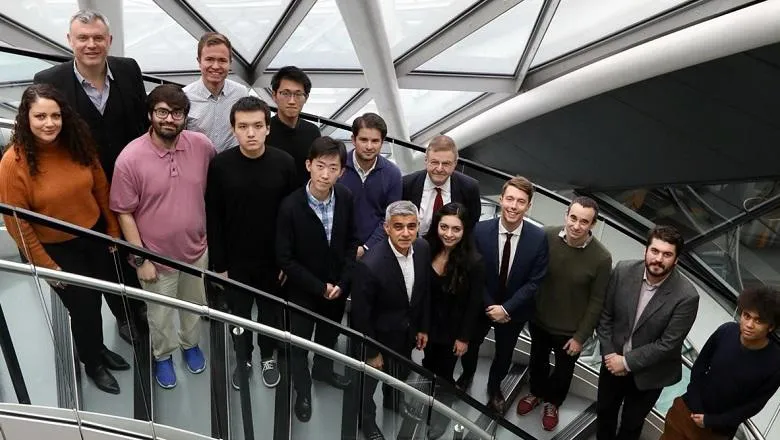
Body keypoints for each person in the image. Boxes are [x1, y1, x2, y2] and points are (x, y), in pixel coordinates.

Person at [0, 84, 129, 394]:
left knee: (98, 297)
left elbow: (100, 187)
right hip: (56, 249)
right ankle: (92, 362)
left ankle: (98, 349)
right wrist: (46, 266)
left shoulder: (77, 144)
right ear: (26, 118)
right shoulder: (13, 163)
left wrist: (111, 230)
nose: (49, 123)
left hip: (93, 234)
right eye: (40, 116)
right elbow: (17, 224)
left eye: (55, 115)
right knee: (83, 307)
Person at [34, 8, 148, 344]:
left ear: (109, 41)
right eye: (83, 38)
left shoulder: (128, 71)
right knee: (104, 255)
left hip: (131, 184)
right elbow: (45, 134)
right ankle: (119, 316)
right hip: (85, 192)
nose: (91, 44)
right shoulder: (50, 81)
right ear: (70, 41)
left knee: (134, 248)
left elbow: (140, 123)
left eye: (98, 37)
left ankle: (136, 309)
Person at [110, 84, 216, 389]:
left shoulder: (202, 146)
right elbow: (124, 212)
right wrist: (141, 257)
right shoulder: (130, 158)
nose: (170, 118)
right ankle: (163, 355)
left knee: (194, 305)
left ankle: (190, 344)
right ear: (150, 114)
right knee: (159, 315)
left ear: (185, 116)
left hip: (196, 251)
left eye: (177, 112)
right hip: (155, 258)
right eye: (162, 112)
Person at [205, 96, 296, 390]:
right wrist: (219, 264)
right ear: (233, 130)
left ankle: (267, 356)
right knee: (239, 316)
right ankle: (243, 357)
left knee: (270, 315)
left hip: (273, 262)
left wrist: (287, 260)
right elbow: (214, 216)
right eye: (243, 126)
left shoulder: (285, 163)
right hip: (235, 261)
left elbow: (292, 216)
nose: (251, 132)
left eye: (258, 125)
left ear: (268, 128)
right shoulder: (220, 165)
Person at [276, 136, 360, 422]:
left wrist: (342, 283)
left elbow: (352, 243)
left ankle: (323, 371)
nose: (326, 174)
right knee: (299, 345)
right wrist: (318, 286)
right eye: (320, 166)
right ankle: (303, 391)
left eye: (333, 168)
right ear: (308, 165)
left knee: (328, 337)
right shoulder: (290, 206)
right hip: (303, 290)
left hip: (336, 289)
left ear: (342, 172)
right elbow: (285, 258)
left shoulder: (347, 199)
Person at [517, 196, 612, 430]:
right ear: (566, 215)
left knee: (563, 372)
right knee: (537, 362)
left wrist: (580, 337)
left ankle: (553, 403)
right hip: (539, 320)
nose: (576, 226)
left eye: (584, 221)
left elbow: (597, 301)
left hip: (570, 331)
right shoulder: (547, 236)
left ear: (593, 225)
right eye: (573, 218)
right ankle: (536, 393)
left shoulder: (601, 258)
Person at [596, 225, 699, 440]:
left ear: (676, 259)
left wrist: (625, 363)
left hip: (650, 374)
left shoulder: (687, 296)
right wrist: (609, 356)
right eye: (655, 251)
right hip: (611, 362)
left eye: (667, 254)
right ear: (646, 250)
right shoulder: (623, 271)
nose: (659, 259)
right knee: (605, 413)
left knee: (631, 425)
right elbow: (605, 316)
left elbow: (668, 344)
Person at [456, 176, 549, 413]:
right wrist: (491, 307)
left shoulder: (538, 239)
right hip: (480, 305)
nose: (513, 206)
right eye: (509, 199)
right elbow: (473, 274)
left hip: (513, 312)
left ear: (528, 206)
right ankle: (466, 376)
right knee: (472, 345)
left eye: (520, 201)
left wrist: (506, 309)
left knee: (504, 354)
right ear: (501, 199)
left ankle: (495, 388)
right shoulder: (479, 231)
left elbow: (535, 281)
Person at [351, 201, 431, 440]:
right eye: (398, 227)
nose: (406, 233)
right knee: (368, 386)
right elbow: (360, 315)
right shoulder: (370, 265)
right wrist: (372, 352)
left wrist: (422, 327)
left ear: (418, 227)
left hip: (406, 334)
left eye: (411, 226)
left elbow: (423, 290)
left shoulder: (423, 248)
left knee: (399, 375)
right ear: (386, 228)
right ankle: (366, 421)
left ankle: (393, 401)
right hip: (378, 338)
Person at [660, 287, 780, 440]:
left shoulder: (775, 362)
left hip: (718, 431)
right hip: (687, 412)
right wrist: (697, 409)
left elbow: (754, 405)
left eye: (758, 321)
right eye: (746, 316)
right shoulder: (726, 331)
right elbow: (699, 367)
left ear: (771, 327)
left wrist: (711, 421)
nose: (749, 324)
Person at [422, 202, 484, 438]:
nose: (448, 234)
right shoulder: (426, 248)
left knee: (445, 376)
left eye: (455, 229)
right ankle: (424, 402)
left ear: (465, 231)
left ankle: (440, 417)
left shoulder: (474, 262)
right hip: (428, 325)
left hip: (453, 332)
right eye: (444, 227)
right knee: (428, 366)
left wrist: (464, 338)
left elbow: (473, 306)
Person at [338, 113, 402, 258]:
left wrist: (366, 248)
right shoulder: (337, 167)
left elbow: (390, 217)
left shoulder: (393, 174)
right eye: (363, 140)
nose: (369, 146)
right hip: (337, 249)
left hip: (376, 252)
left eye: (375, 141)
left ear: (382, 142)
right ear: (353, 140)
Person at [184, 32, 250, 153]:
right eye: (209, 59)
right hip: (198, 166)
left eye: (222, 60)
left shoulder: (241, 93)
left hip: (231, 165)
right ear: (199, 61)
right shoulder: (185, 97)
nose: (215, 66)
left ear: (230, 63)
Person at [402, 135, 481, 235]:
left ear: (455, 164)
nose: (439, 169)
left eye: (446, 164)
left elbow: (471, 226)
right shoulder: (406, 184)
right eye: (434, 162)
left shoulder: (469, 188)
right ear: (426, 161)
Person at [267, 66, 321, 187]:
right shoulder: (264, 131)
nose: (292, 101)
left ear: (306, 98)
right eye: (285, 93)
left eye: (298, 94)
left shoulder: (313, 132)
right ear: (274, 95)